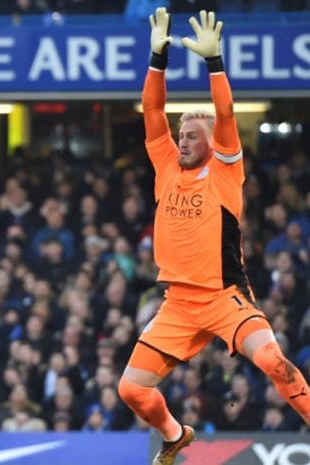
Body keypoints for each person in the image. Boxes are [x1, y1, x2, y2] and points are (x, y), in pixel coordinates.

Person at [117, 9, 310, 465]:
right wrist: (157, 57)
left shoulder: (224, 172)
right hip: (178, 304)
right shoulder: (166, 167)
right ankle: (175, 435)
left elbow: (224, 112)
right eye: (180, 135)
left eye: (191, 136)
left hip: (225, 298)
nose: (181, 141)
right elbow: (152, 110)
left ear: (212, 142)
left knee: (274, 365)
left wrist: (214, 63)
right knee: (130, 390)